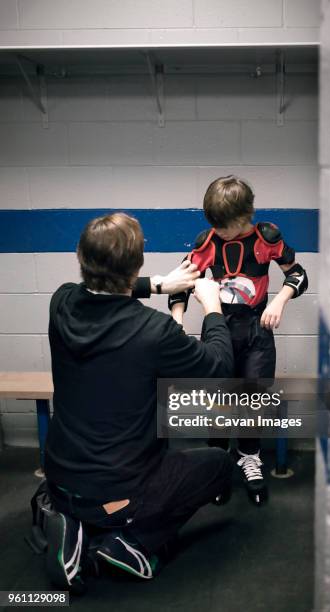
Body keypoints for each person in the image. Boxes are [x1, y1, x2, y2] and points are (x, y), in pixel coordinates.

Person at [42, 212, 234, 590]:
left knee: (91, 482)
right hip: (123, 490)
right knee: (219, 465)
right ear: (138, 261)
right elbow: (219, 367)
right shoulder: (154, 331)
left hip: (60, 477)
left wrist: (160, 285)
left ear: (80, 256)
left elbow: (102, 291)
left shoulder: (60, 302)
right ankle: (129, 544)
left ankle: (71, 523)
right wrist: (213, 307)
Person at [169, 176, 308, 505]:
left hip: (257, 325)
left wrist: (280, 299)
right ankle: (216, 464)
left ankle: (250, 457)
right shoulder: (209, 241)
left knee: (253, 396)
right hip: (219, 325)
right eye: (215, 225)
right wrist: (176, 320)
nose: (220, 232)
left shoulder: (266, 238)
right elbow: (179, 284)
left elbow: (299, 273)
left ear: (246, 216)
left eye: (226, 226)